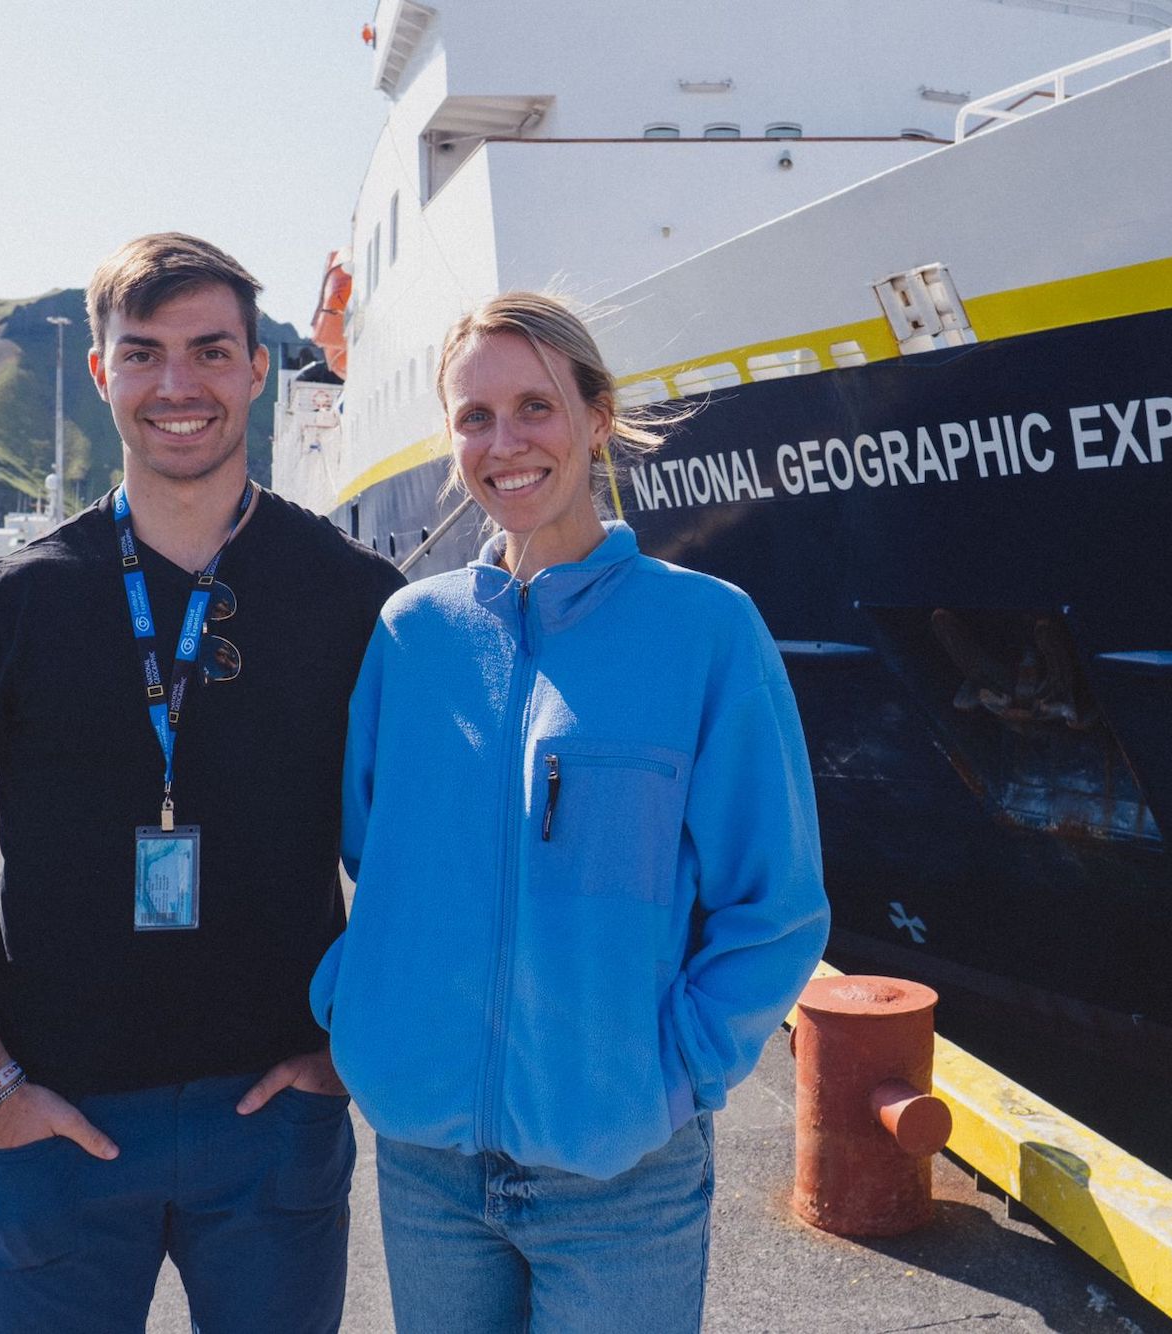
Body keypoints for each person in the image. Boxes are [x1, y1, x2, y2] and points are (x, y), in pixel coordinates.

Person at [0, 233, 406, 1333]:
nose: (178, 385)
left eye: (211, 351)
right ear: (101, 370)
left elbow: (418, 854)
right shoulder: (0, 607)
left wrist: (349, 1052)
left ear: (259, 369)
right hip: (55, 1120)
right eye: (144, 352)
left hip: (273, 1117)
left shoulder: (358, 599)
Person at [313, 292, 830, 1333]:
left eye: (533, 407)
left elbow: (772, 906)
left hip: (619, 1176)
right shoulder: (412, 634)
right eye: (473, 417)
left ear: (596, 416)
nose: (503, 443)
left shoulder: (705, 631)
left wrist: (672, 1072)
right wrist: (362, 1015)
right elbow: (373, 854)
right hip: (428, 1168)